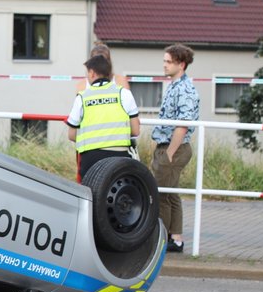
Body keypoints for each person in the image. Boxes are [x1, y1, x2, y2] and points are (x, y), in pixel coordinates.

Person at [152, 43, 199, 253]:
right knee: (170, 194)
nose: (164, 65)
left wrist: (170, 152)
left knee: (161, 194)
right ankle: (175, 239)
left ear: (181, 64)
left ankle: (161, 238)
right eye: (164, 61)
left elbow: (183, 123)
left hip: (174, 147)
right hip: (169, 146)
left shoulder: (184, 89)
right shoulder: (175, 85)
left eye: (168, 62)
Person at [66, 54, 140, 182]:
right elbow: (135, 131)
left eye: (87, 73)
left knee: (90, 197)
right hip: (119, 156)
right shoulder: (124, 94)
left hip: (91, 158)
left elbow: (71, 135)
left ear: (92, 73)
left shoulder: (82, 98)